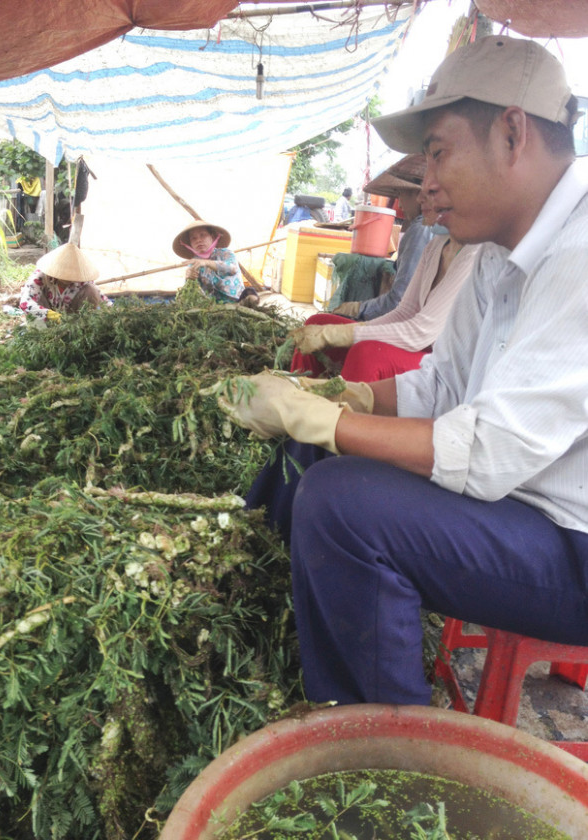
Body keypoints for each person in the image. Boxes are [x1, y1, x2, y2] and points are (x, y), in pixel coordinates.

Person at [216, 35, 588, 708]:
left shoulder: (580, 253)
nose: (428, 183)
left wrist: (329, 419)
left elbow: (489, 449)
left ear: (512, 132)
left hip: (573, 544)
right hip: (520, 506)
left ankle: (389, 754)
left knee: (342, 505)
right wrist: (336, 396)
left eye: (440, 152)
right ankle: (254, 618)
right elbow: (443, 387)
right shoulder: (496, 253)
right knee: (306, 449)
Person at [289, 219, 479, 381]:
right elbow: (404, 312)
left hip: (443, 363)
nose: (423, 198)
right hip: (417, 347)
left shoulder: (473, 253)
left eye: (433, 191)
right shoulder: (436, 245)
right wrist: (350, 329)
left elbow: (420, 333)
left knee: (367, 354)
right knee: (318, 322)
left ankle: (341, 419)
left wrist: (339, 335)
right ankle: (297, 396)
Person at [332, 179, 445, 321]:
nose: (400, 204)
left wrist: (358, 309)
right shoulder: (429, 228)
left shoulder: (421, 229)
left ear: (418, 194)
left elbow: (399, 300)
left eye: (400, 195)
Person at [18, 242, 109, 324]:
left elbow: (103, 300)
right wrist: (50, 315)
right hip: (45, 317)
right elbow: (25, 303)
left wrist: (116, 312)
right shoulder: (40, 277)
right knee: (34, 303)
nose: (68, 278)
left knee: (91, 290)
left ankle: (81, 326)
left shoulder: (82, 279)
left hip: (71, 319)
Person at [173, 220, 258, 305]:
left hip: (238, 299)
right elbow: (191, 290)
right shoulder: (194, 264)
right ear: (190, 244)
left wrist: (207, 263)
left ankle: (242, 305)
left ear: (212, 237)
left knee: (250, 293)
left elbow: (232, 269)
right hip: (213, 306)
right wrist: (189, 277)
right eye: (193, 238)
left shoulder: (225, 253)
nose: (198, 240)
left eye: (203, 235)